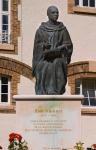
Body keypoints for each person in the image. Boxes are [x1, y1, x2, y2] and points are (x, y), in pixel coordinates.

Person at [32, 6, 73, 95]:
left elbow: (68, 44)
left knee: (57, 63)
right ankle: (44, 90)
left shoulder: (62, 29)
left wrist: (62, 48)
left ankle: (55, 91)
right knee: (45, 65)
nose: (56, 14)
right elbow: (37, 47)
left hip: (58, 57)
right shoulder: (41, 30)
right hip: (44, 58)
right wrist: (43, 46)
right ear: (48, 14)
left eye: (57, 13)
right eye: (53, 13)